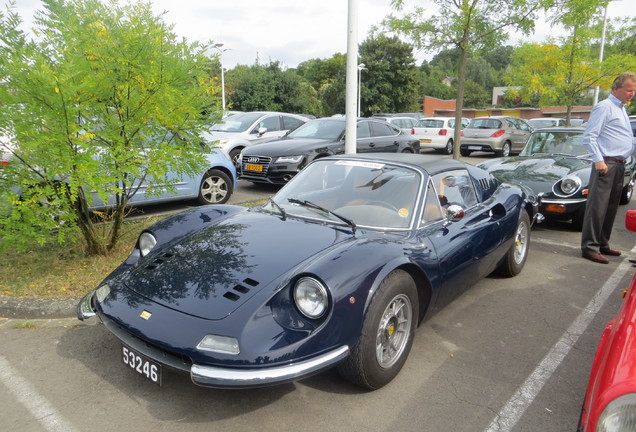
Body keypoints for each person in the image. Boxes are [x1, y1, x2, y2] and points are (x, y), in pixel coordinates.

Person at [581, 71, 636, 264]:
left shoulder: (622, 108)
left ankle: (602, 244)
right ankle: (590, 247)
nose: (632, 94)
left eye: (634, 91)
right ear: (617, 88)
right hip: (606, 164)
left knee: (611, 207)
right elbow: (589, 136)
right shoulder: (604, 107)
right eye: (629, 90)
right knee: (597, 207)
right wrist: (598, 160)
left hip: (619, 164)